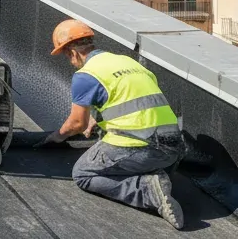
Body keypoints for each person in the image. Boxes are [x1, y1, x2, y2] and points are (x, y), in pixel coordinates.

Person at [38, 19, 185, 230]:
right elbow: (135, 103)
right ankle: (157, 175)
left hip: (143, 149)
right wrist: (97, 119)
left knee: (83, 173)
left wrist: (57, 136)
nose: (70, 62)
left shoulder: (85, 75)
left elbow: (77, 123)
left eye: (66, 56)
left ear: (73, 52)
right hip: (173, 150)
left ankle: (147, 191)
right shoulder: (128, 62)